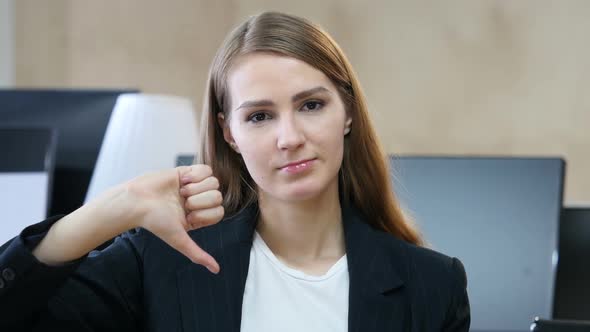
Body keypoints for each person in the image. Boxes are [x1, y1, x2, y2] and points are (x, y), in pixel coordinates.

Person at [0, 11, 470, 331]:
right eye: (259, 116)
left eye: (310, 105)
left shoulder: (433, 287)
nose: (289, 137)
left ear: (346, 111)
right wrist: (115, 208)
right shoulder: (159, 262)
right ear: (229, 133)